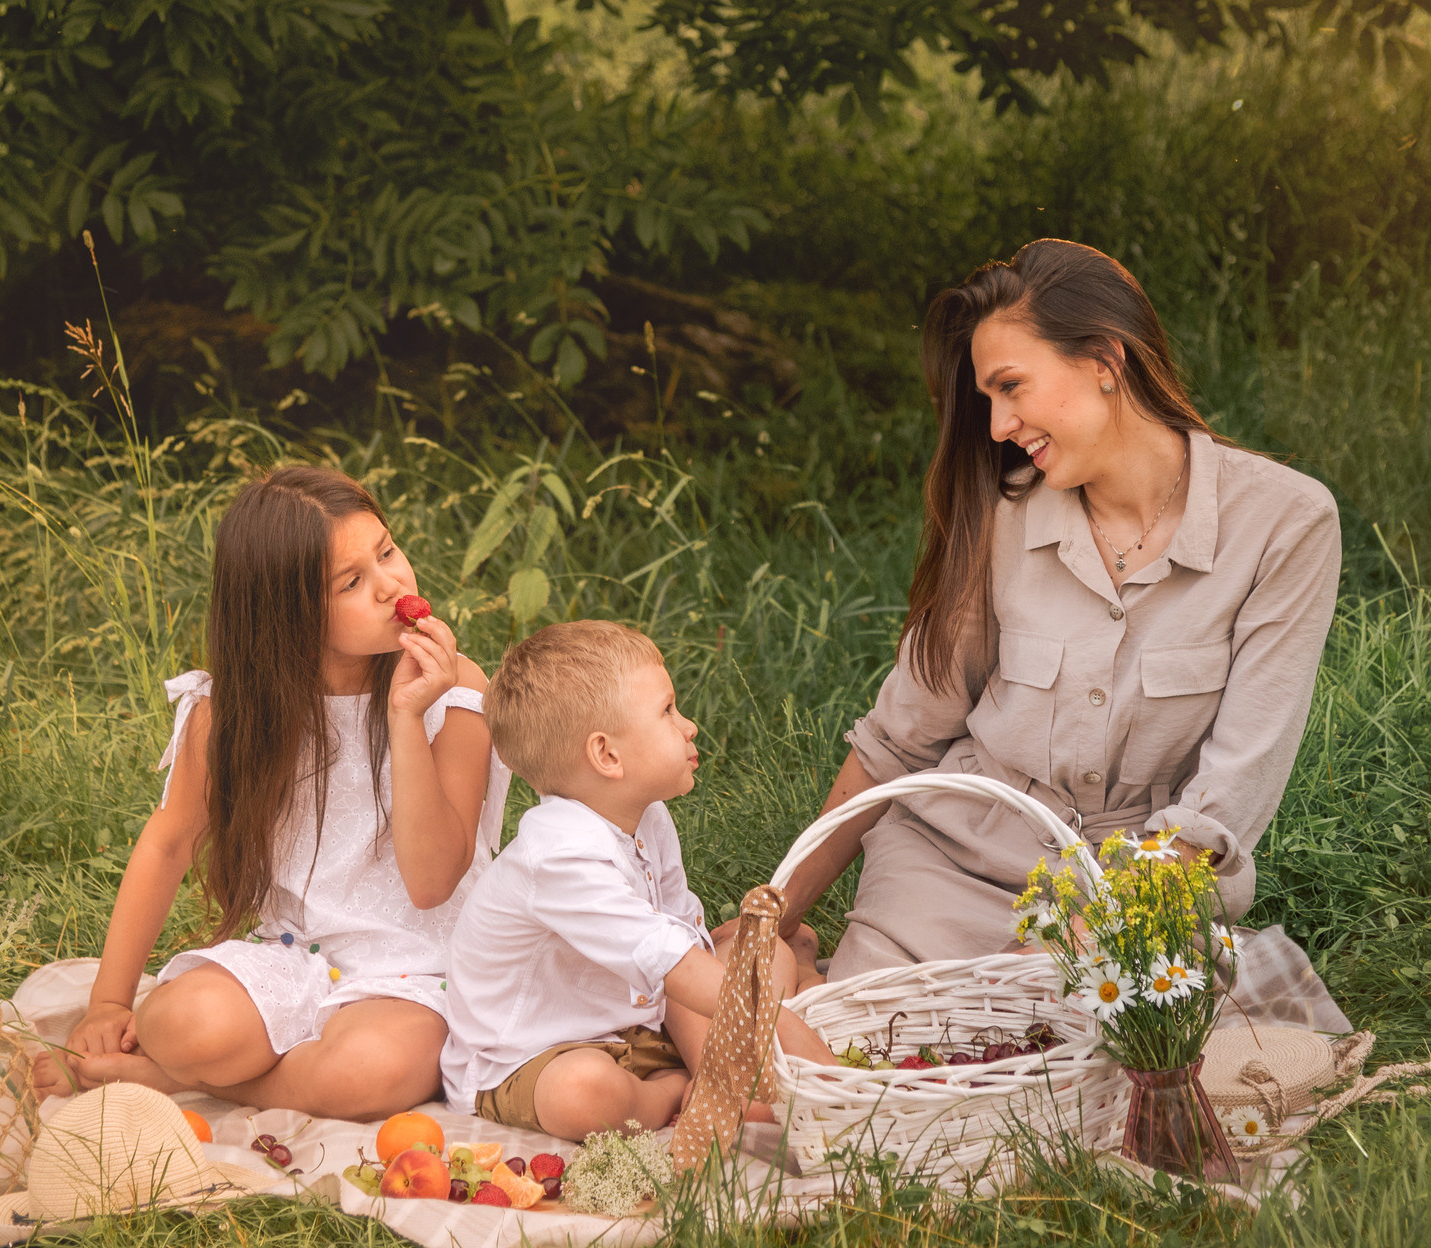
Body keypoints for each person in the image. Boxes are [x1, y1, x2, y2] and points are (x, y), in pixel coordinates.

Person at [764, 240, 1342, 978]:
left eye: (1012, 386)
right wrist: (771, 915)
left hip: (1139, 891)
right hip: (951, 869)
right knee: (872, 1066)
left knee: (1070, 1074)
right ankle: (811, 973)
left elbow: (1225, 801)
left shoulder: (1285, 525)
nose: (999, 425)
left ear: (1104, 360)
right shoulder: (1001, 516)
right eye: (988, 400)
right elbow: (900, 738)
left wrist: (1081, 935)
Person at [35, 466, 506, 1120]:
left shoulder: (455, 693)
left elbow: (432, 881)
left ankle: (184, 1083)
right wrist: (109, 1003)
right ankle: (191, 1058)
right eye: (352, 582)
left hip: (421, 967)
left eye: (388, 551)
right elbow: (169, 842)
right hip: (298, 953)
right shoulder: (231, 713)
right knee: (176, 1021)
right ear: (287, 612)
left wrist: (403, 715)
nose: (392, 584)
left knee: (369, 1071)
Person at [441, 620, 832, 1139]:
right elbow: (671, 965)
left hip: (638, 1022)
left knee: (768, 951)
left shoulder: (645, 815)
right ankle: (672, 1092)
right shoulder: (559, 856)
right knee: (584, 1094)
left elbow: (678, 943)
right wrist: (783, 1027)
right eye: (668, 711)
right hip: (534, 1055)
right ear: (607, 755)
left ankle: (720, 1079)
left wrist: (726, 1038)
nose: (689, 725)